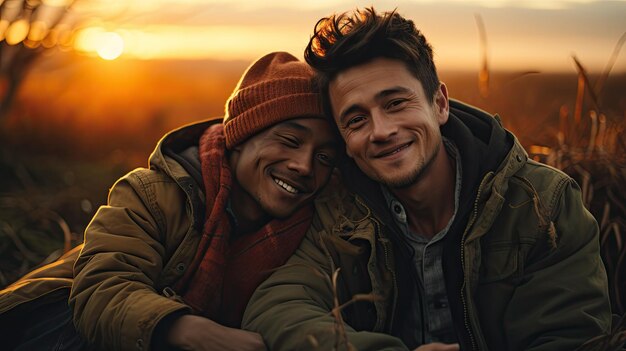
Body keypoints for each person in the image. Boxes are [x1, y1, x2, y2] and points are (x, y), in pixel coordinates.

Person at [242, 8, 612, 351]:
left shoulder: (542, 204)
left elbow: (571, 337)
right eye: (356, 120)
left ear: (440, 104)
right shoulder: (337, 212)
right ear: (344, 141)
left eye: (396, 103)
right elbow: (276, 307)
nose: (381, 131)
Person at [0, 51, 338, 351]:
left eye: (324, 157)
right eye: (290, 140)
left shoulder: (310, 230)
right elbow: (101, 288)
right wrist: (184, 328)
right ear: (242, 134)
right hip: (47, 324)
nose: (304, 166)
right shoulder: (151, 193)